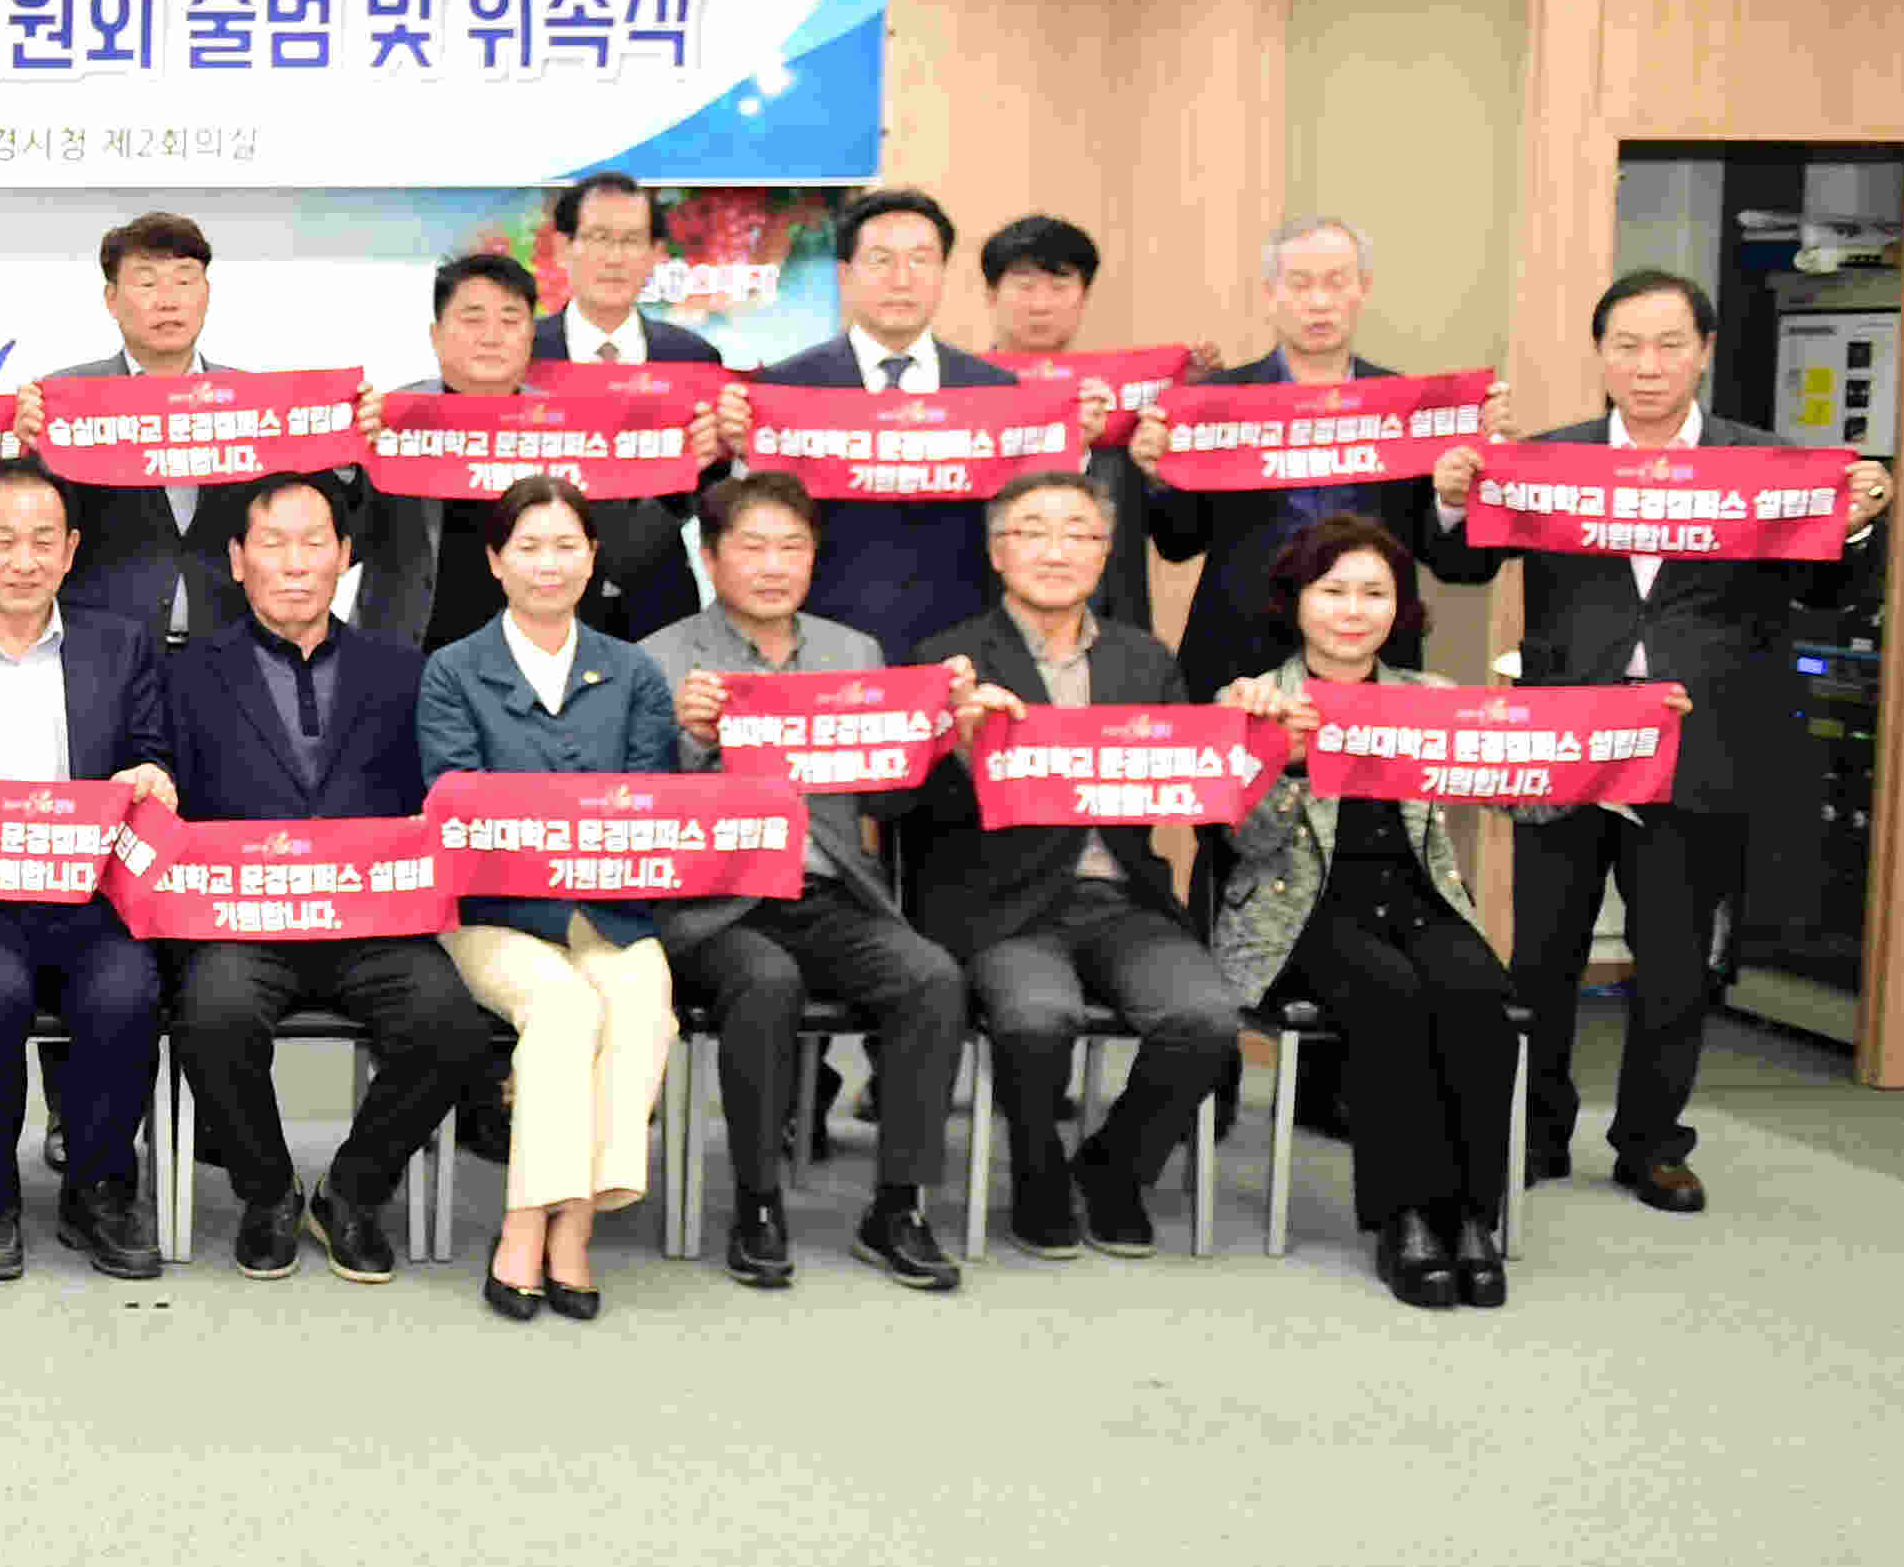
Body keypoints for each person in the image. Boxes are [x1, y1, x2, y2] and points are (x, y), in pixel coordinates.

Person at [1422, 269, 1891, 1213]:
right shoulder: (1547, 460)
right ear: (1600, 355)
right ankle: (1536, 1131)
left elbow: (1832, 594)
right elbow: (1461, 564)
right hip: (1566, 740)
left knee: (1674, 961)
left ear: (1704, 352)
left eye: (1670, 345)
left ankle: (1652, 1143)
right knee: (1543, 954)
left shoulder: (1767, 465)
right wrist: (1450, 499)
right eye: (1627, 346)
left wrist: (1856, 525)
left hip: (1702, 740)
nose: (1648, 365)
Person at [163, 471, 500, 1285]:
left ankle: (352, 1190)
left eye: (314, 543)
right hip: (245, 923)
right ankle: (267, 1192)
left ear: (344, 555)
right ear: (237, 559)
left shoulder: (404, 670)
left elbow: (442, 793)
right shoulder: (186, 673)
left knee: (451, 1025)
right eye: (273, 544)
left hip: (371, 925)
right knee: (212, 1013)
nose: (294, 563)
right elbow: (161, 791)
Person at [642, 470, 975, 1292]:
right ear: (711, 559)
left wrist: (940, 735)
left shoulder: (853, 652)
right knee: (766, 982)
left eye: (792, 548)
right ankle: (757, 1204)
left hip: (830, 889)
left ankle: (898, 1206)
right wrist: (690, 742)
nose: (772, 566)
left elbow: (888, 797)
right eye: (752, 547)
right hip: (716, 906)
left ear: (815, 559)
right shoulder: (661, 657)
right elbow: (636, 807)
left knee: (931, 978)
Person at [907, 471, 1243, 1259]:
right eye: (1032, 532)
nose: (1056, 551)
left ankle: (1115, 1167)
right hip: (1003, 904)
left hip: (1122, 899)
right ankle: (1038, 1170)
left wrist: (1244, 735)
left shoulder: (1144, 660)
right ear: (997, 551)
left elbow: (1195, 783)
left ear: (1103, 554)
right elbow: (898, 808)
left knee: (1205, 1019)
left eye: (1078, 534)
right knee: (1036, 1020)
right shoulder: (946, 660)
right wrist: (955, 747)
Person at [1203, 517, 1521, 1307]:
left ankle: (1470, 1216)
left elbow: (1524, 797)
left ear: (1399, 607)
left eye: (1374, 593)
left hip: (1418, 899)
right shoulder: (1250, 698)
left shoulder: (1433, 699)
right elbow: (1244, 842)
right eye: (1333, 591)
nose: (1353, 610)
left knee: (1477, 994)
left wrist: (1605, 731)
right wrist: (1287, 762)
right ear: (1295, 602)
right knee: (1390, 996)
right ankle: (1404, 1217)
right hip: (1301, 914)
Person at [0, 456, 177, 1283]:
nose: (24, 560)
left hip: (90, 893)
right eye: (4, 540)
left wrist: (154, 779)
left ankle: (101, 1191)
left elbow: (153, 754)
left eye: (44, 540)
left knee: (125, 994)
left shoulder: (121, 646)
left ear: (72, 549)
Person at [417, 478, 681, 1322]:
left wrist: (554, 814)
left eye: (567, 546)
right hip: (493, 913)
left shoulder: (634, 671)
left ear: (593, 558)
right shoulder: (451, 671)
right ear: (495, 562)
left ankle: (571, 1222)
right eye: (528, 547)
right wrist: (575, 814)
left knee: (643, 997)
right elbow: (461, 804)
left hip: (605, 906)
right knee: (565, 1007)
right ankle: (528, 1224)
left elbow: (646, 805)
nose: (549, 565)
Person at [744, 189, 1091, 663]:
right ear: (844, 275)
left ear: (943, 273)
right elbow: (755, 519)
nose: (901, 279)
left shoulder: (995, 390)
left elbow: (1027, 516)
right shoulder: (785, 387)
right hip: (822, 641)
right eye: (881, 260)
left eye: (921, 260)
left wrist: (1074, 444)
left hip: (967, 642)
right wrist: (741, 451)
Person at [1138, 214, 1462, 699]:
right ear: (1270, 294)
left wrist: (1453, 499)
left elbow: (1452, 560)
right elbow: (1178, 542)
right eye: (1300, 284)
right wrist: (1161, 475)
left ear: (1364, 289)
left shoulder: (1409, 405)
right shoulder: (1218, 401)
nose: (1319, 302)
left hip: (1374, 656)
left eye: (1336, 283)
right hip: (1239, 652)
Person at [357, 251, 704, 651]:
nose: (491, 337)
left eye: (510, 321)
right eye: (472, 319)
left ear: (531, 337)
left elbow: (631, 552)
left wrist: (686, 467)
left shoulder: (569, 425)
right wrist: (354, 458)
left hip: (546, 663)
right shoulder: (391, 420)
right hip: (411, 659)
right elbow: (342, 539)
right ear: (436, 335)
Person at [27, 211, 257, 647]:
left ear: (207, 293)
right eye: (147, 283)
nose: (168, 301)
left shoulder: (251, 399)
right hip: (103, 651)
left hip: (230, 647)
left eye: (184, 281)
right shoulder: (65, 399)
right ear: (111, 299)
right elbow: (31, 520)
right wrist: (28, 448)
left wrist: (347, 447)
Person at [979, 214, 1160, 633]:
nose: (1041, 304)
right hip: (985, 629)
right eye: (1025, 286)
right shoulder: (958, 395)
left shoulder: (1125, 394)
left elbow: (1174, 535)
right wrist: (1062, 447)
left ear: (1084, 296)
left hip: (1112, 631)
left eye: (1059, 287)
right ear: (991, 294)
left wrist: (1180, 436)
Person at [534, 171, 724, 368]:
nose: (615, 258)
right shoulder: (523, 353)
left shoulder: (695, 358)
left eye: (632, 240)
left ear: (656, 253)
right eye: (600, 238)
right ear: (563, 248)